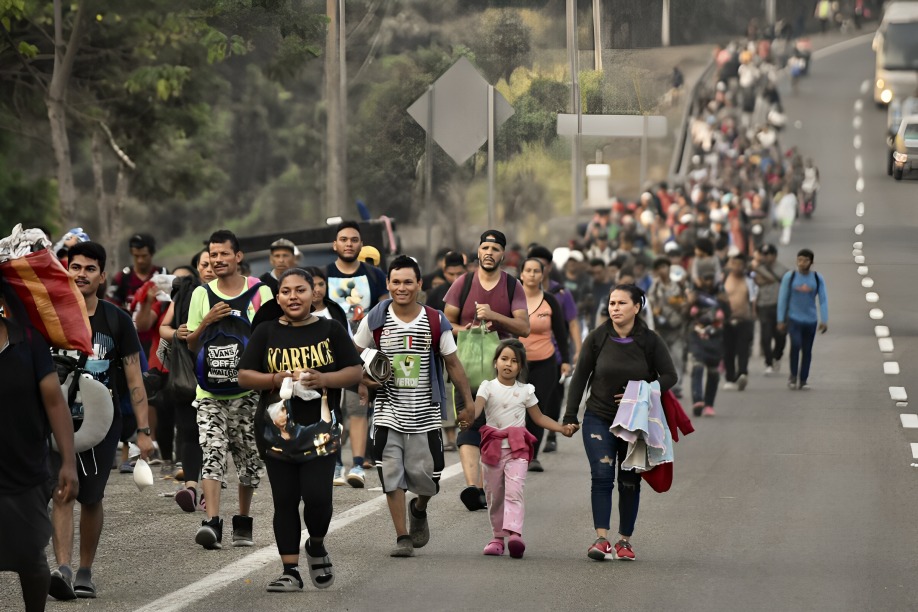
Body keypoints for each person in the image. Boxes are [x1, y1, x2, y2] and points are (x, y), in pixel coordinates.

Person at [238, 268, 363, 592]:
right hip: (275, 432)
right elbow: (244, 376)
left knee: (318, 498)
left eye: (300, 290)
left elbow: (353, 371)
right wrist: (274, 379)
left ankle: (317, 545)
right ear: (277, 297)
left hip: (320, 432)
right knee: (285, 501)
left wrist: (323, 379)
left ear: (314, 294)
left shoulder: (331, 329)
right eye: (286, 291)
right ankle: (290, 571)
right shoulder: (265, 332)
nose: (293, 297)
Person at [50, 242, 154, 599]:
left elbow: (135, 379)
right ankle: (61, 570)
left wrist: (143, 431)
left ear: (102, 275)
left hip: (100, 426)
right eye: (75, 267)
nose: (81, 274)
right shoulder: (51, 315)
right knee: (62, 492)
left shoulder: (116, 320)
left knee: (91, 498)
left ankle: (84, 571)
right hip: (55, 422)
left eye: (89, 269)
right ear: (66, 270)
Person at [354, 256, 475, 557]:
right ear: (388, 284)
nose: (402, 288)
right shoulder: (376, 318)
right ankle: (402, 537)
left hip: (426, 413)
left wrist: (468, 402)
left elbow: (453, 363)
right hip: (387, 411)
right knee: (390, 473)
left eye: (408, 282)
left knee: (430, 478)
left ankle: (419, 508)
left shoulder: (435, 320)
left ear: (420, 284)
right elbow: (354, 353)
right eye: (396, 282)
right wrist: (363, 380)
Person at [563, 284, 677, 562]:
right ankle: (601, 539)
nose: (614, 308)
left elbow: (670, 375)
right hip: (598, 417)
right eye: (612, 303)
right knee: (601, 475)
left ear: (637, 307)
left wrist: (640, 389)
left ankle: (624, 541)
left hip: (634, 423)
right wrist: (570, 415)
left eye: (621, 303)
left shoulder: (649, 341)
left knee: (628, 480)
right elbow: (580, 377)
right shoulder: (598, 338)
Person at [186, 230, 274, 550]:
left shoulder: (260, 292)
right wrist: (206, 320)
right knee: (212, 451)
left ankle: (243, 521)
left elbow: (269, 338)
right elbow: (191, 343)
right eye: (212, 255)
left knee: (248, 461)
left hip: (248, 392)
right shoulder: (201, 294)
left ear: (238, 256)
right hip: (209, 392)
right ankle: (211, 522)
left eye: (224, 254)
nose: (217, 260)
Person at [0, 278, 79, 612]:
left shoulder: (29, 341)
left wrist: (68, 463)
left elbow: (55, 403)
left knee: (31, 557)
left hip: (26, 469)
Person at [458, 339, 577, 558]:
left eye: (514, 361)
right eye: (504, 359)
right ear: (495, 362)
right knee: (494, 495)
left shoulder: (526, 391)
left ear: (520, 367)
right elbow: (477, 409)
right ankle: (497, 538)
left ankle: (515, 535)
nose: (508, 364)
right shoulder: (487, 387)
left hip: (517, 449)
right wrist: (467, 417)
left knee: (514, 492)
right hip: (493, 448)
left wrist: (561, 429)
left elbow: (539, 417)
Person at [443, 230, 529, 511]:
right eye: (485, 247)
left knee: (497, 428)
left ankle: (496, 483)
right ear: (477, 252)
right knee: (468, 421)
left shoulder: (512, 286)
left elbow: (524, 327)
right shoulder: (463, 283)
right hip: (465, 367)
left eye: (495, 248)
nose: (489, 252)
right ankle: (473, 487)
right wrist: (464, 329)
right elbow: (446, 323)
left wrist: (493, 316)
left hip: (503, 372)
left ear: (502, 255)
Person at [326, 221, 388, 487]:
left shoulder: (373, 275)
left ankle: (359, 463)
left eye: (353, 239)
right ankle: (335, 462)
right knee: (329, 408)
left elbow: (386, 309)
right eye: (343, 239)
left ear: (361, 244)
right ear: (335, 245)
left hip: (363, 350)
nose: (349, 244)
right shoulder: (324, 273)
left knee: (357, 407)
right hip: (328, 350)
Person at [159, 249, 215, 510]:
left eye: (215, 262)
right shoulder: (186, 293)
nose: (211, 267)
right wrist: (177, 332)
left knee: (213, 436)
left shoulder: (230, 294)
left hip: (220, 375)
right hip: (187, 374)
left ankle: (208, 491)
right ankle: (191, 488)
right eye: (205, 263)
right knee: (189, 430)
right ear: (198, 268)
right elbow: (164, 327)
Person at [516, 258, 570, 472]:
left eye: (536, 271)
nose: (531, 274)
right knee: (515, 409)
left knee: (537, 409)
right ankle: (514, 450)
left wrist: (565, 360)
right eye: (527, 270)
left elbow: (561, 332)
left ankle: (532, 455)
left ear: (542, 275)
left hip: (546, 363)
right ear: (521, 274)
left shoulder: (550, 300)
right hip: (517, 364)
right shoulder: (513, 299)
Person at [107, 233, 168, 356]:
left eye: (144, 256)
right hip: (129, 340)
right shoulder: (122, 278)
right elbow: (111, 307)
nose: (140, 260)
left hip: (157, 340)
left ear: (151, 253)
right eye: (136, 256)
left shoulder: (163, 275)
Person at [777, 248, 828, 390]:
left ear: (811, 262)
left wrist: (824, 319)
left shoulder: (817, 278)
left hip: (811, 320)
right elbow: (783, 298)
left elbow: (823, 299)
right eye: (799, 260)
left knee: (807, 350)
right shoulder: (790, 277)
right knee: (795, 345)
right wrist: (780, 320)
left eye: (805, 260)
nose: (802, 263)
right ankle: (793, 376)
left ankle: (803, 379)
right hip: (794, 319)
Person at [686, 269, 728, 417]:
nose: (708, 282)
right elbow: (685, 314)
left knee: (713, 372)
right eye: (705, 278)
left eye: (711, 278)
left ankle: (709, 404)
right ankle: (698, 401)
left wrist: (723, 306)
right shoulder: (693, 295)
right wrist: (689, 303)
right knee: (697, 366)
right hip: (698, 336)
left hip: (715, 337)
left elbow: (727, 315)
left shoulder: (721, 296)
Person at [648, 257, 688, 398]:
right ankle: (667, 386)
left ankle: (677, 386)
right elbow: (649, 305)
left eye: (664, 267)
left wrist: (680, 304)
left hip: (676, 326)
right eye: (659, 268)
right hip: (661, 327)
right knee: (664, 358)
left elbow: (685, 303)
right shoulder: (655, 287)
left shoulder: (678, 285)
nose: (662, 270)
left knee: (678, 356)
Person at [721, 254, 757, 392]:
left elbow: (753, 299)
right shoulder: (724, 279)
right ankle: (730, 378)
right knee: (728, 351)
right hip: (727, 321)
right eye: (734, 264)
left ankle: (742, 373)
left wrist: (753, 314)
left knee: (743, 349)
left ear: (744, 266)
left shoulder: (749, 281)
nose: (737, 267)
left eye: (740, 264)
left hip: (744, 320)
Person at [751, 244, 788, 374]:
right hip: (763, 305)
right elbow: (756, 283)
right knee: (765, 336)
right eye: (763, 254)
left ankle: (777, 356)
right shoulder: (756, 269)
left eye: (768, 254)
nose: (765, 257)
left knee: (780, 336)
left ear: (774, 255)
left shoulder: (783, 270)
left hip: (779, 306)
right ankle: (768, 362)